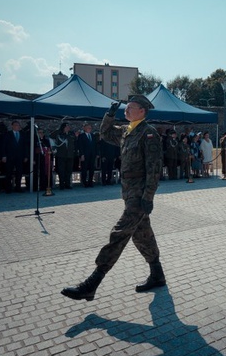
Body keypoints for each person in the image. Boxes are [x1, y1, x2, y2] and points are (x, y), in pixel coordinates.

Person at [61, 95, 166, 302]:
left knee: (119, 233)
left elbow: (154, 169)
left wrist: (148, 197)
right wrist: (109, 115)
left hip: (139, 194)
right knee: (141, 234)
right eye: (125, 108)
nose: (125, 111)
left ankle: (91, 284)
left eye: (130, 108)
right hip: (128, 192)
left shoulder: (148, 133)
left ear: (142, 111)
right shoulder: (127, 131)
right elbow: (105, 133)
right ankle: (157, 274)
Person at [2, 120, 28, 193]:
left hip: (19, 157)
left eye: (18, 125)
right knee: (9, 172)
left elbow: (25, 146)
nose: (17, 127)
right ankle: (8, 188)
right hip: (10, 156)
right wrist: (4, 155)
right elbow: (4, 145)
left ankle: (18, 187)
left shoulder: (22, 134)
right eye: (16, 125)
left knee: (19, 172)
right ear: (12, 126)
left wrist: (26, 156)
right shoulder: (7, 134)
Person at [51, 123, 75, 189]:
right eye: (67, 127)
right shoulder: (58, 133)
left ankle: (67, 184)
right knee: (61, 171)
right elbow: (51, 137)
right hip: (61, 155)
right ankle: (61, 184)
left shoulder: (71, 134)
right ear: (63, 127)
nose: (68, 128)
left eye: (69, 126)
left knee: (69, 170)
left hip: (70, 155)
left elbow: (75, 142)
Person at [77, 123, 98, 187]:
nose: (89, 129)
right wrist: (82, 154)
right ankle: (84, 182)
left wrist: (96, 154)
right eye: (88, 128)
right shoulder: (81, 136)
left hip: (92, 155)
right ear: (84, 128)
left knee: (92, 169)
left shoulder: (93, 136)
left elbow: (95, 145)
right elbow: (80, 146)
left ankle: (90, 181)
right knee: (84, 169)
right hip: (85, 155)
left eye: (90, 128)